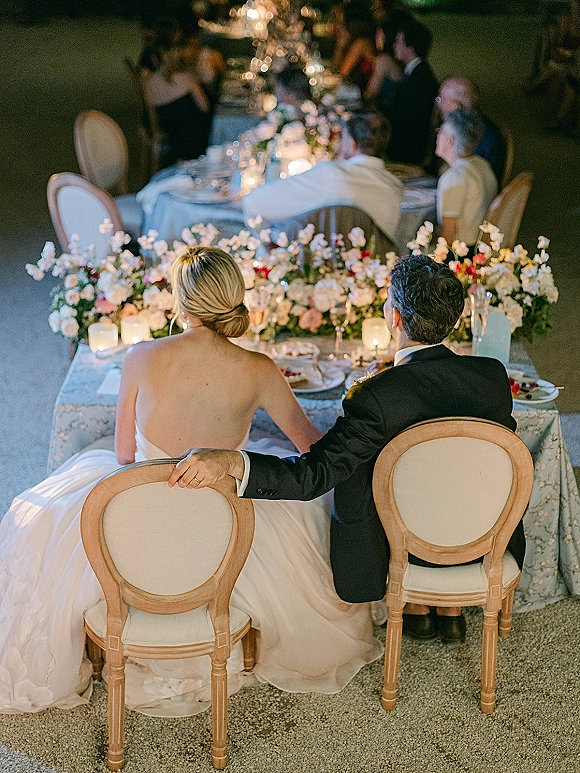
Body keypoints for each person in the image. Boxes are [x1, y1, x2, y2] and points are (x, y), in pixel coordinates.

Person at [0, 246, 382, 715]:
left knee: (47, 513)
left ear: (181, 302)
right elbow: (313, 451)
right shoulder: (260, 368)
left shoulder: (141, 357)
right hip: (223, 522)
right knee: (297, 509)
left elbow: (123, 457)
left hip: (138, 515)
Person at [170, 254, 523, 645]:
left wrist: (234, 460)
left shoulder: (377, 395)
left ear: (396, 320)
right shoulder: (491, 377)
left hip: (402, 545)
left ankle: (417, 609)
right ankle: (451, 612)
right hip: (478, 538)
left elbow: (314, 474)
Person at [242, 112, 403, 245]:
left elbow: (253, 203)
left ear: (352, 144)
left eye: (343, 140)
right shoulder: (395, 188)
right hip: (372, 276)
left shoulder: (332, 176)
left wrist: (273, 241)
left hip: (312, 273)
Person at [435, 108, 498, 249]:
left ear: (449, 139)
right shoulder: (482, 164)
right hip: (478, 246)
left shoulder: (453, 178)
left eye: (440, 131)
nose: (437, 134)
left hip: (461, 255)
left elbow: (449, 236)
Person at [144, 40, 212, 166]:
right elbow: (205, 108)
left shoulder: (148, 83)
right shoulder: (186, 78)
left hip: (170, 135)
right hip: (195, 139)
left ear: (154, 58)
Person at [382, 16, 439, 165]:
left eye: (398, 42)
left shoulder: (420, 79)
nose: (394, 46)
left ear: (410, 49)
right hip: (404, 143)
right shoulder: (415, 71)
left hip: (407, 152)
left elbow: (402, 117)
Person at [434, 77, 507, 186]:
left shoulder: (477, 136)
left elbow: (466, 178)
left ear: (455, 106)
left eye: (441, 99)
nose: (438, 104)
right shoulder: (475, 125)